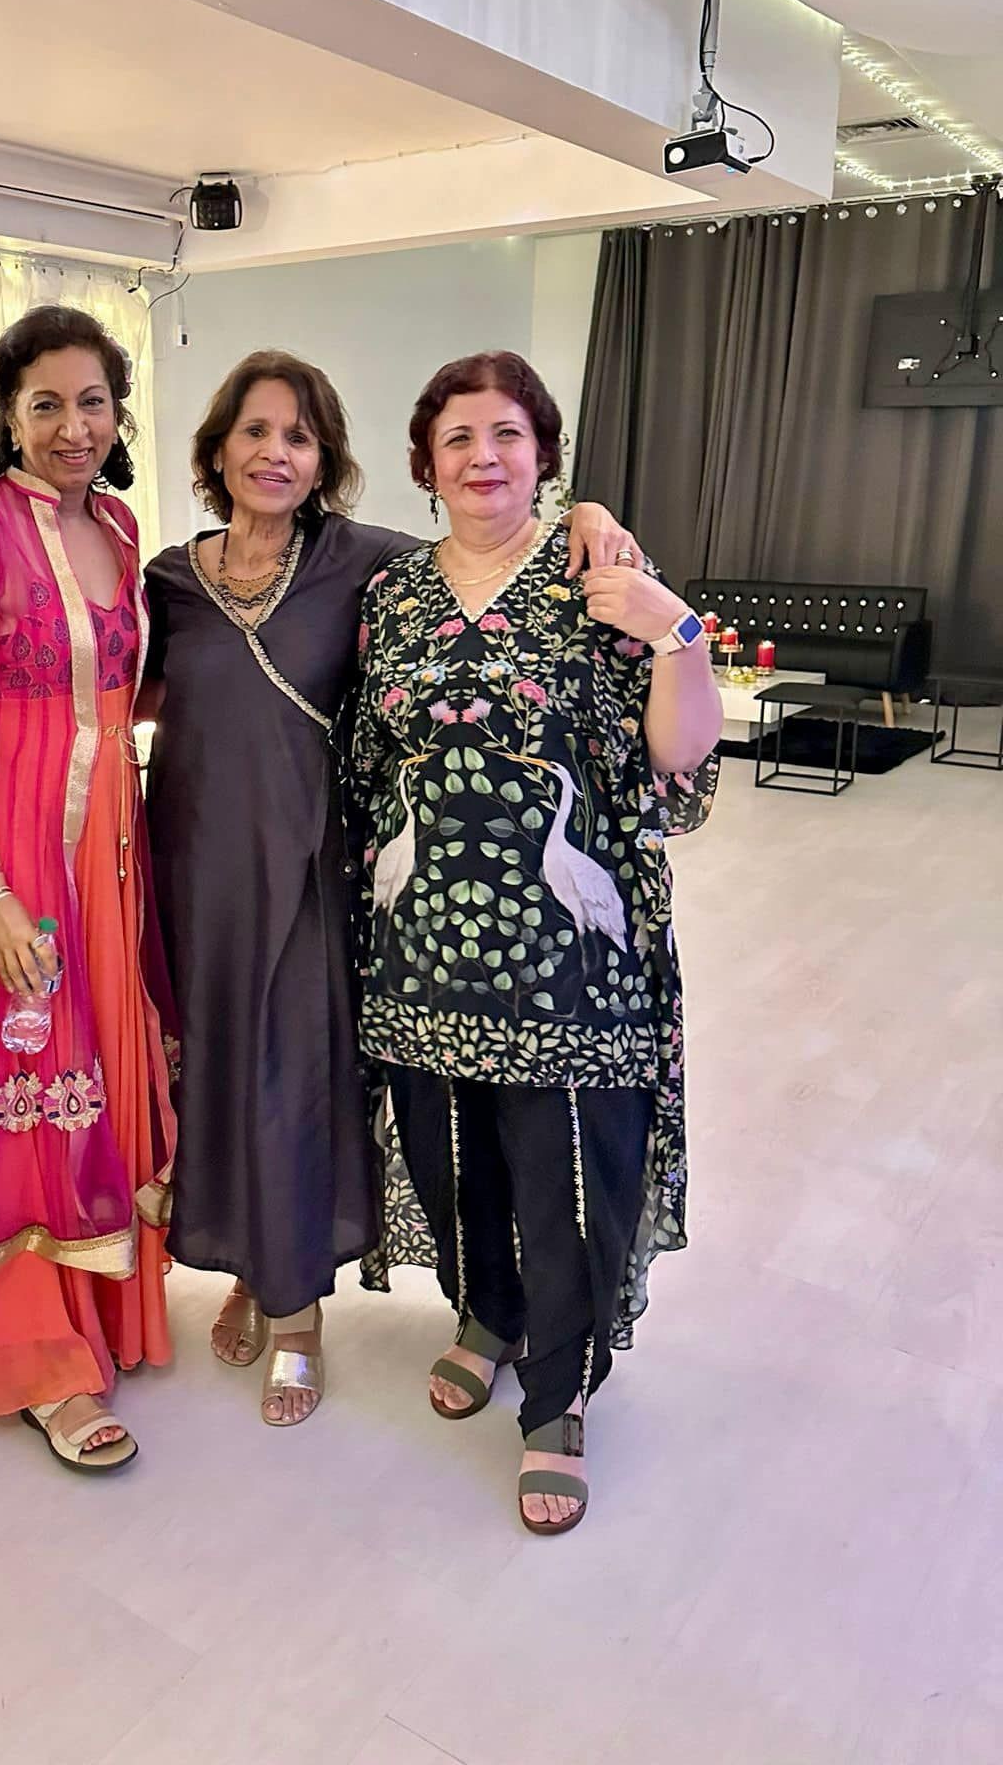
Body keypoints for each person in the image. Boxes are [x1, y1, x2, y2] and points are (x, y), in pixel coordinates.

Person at [142, 348, 635, 1426]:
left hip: (315, 862)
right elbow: (123, 697)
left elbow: (493, 537)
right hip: (195, 865)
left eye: (300, 435)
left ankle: (301, 1308)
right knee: (215, 1074)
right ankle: (247, 1262)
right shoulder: (171, 578)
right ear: (216, 446)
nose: (276, 453)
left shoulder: (366, 562)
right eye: (256, 430)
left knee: (294, 1078)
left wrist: (588, 506)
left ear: (328, 460)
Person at [351, 350, 720, 1532]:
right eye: (458, 437)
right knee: (449, 1151)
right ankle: (487, 1312)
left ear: (544, 455)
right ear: (427, 463)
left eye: (507, 433)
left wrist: (680, 635)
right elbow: (367, 757)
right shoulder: (394, 594)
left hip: (565, 948)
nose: (483, 457)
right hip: (420, 941)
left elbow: (677, 757)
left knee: (562, 1171)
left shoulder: (597, 576)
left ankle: (557, 1396)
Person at [0, 305, 175, 1474]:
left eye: (95, 402)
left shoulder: (119, 527)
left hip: (110, 843)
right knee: (26, 1071)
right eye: (47, 403)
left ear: (121, 414)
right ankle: (35, 1356)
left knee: (106, 1069)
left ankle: (102, 1314)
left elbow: (121, 698)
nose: (75, 426)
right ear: (7, 412)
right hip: (12, 849)